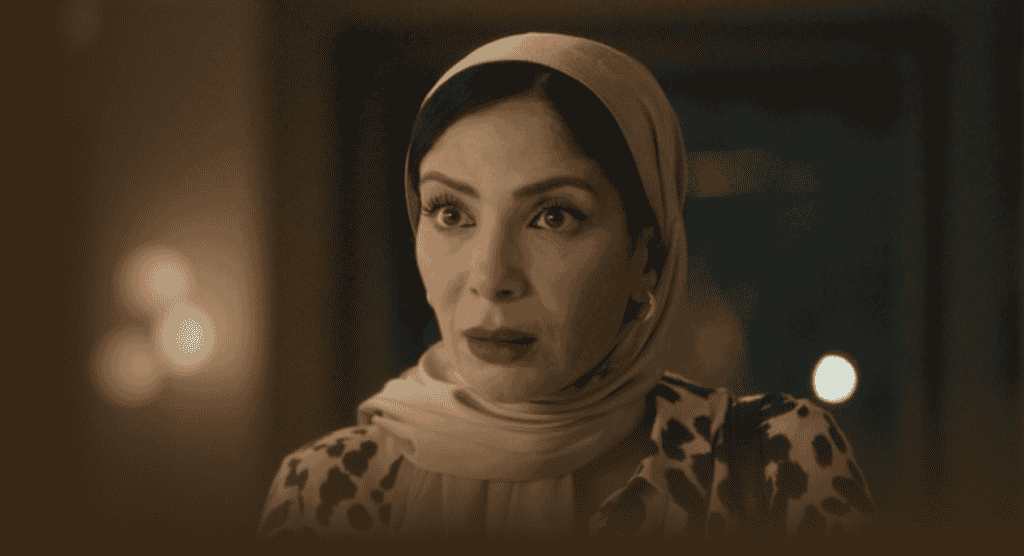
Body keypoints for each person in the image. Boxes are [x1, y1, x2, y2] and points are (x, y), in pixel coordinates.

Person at [258, 32, 875, 542]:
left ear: (646, 257)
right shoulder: (326, 490)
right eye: (450, 212)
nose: (491, 278)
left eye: (553, 216)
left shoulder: (768, 464)